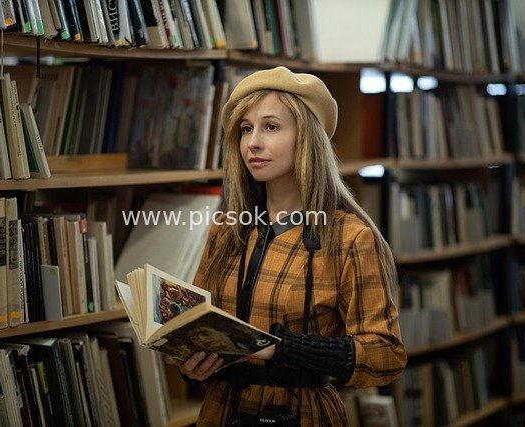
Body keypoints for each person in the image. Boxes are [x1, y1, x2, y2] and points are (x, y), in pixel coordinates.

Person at [164, 66, 406, 426]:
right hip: (219, 412)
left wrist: (279, 347)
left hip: (301, 415)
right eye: (246, 129)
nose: (252, 143)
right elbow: (202, 325)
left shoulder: (349, 237)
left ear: (306, 138)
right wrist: (192, 363)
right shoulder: (227, 230)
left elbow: (385, 356)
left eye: (271, 127)